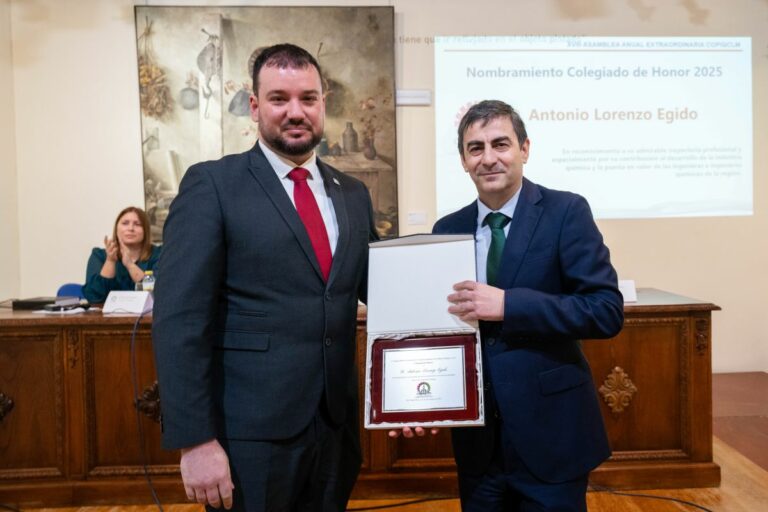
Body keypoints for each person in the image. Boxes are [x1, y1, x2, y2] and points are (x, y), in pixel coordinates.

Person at [152, 43, 377, 512]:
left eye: (308, 98)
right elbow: (179, 319)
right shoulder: (213, 185)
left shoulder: (352, 193)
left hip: (334, 430)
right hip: (248, 438)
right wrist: (195, 440)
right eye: (279, 99)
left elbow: (382, 290)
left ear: (323, 104)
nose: (296, 111)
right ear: (255, 107)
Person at [432, 100, 624, 511]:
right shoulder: (446, 230)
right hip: (478, 445)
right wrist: (416, 401)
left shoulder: (566, 212)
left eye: (500, 144)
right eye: (475, 148)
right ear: (463, 161)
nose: (488, 158)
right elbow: (440, 330)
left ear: (524, 148)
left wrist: (510, 305)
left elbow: (604, 310)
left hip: (552, 435)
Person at [82, 206, 161, 303]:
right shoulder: (99, 255)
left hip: (149, 312)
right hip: (107, 312)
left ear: (145, 230)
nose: (130, 228)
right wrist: (110, 261)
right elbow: (93, 297)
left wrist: (129, 265)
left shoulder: (158, 254)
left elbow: (158, 292)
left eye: (137, 224)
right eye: (125, 223)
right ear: (117, 229)